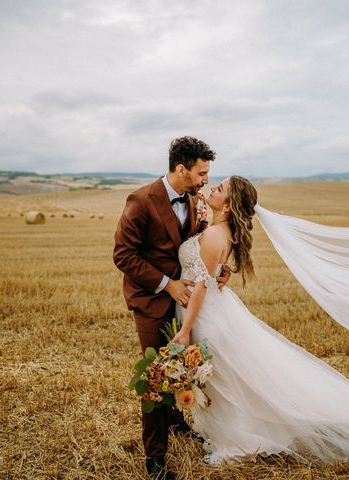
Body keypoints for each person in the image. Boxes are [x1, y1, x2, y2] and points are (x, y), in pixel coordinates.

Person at [171, 176, 349, 465]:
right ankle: (239, 433)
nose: (213, 186)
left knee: (226, 381)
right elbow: (208, 271)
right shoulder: (219, 228)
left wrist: (186, 329)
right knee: (229, 378)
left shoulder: (216, 234)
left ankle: (239, 441)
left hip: (205, 313)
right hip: (211, 310)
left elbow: (201, 286)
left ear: (228, 206)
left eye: (221, 187)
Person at [113, 136, 230, 480]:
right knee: (157, 374)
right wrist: (168, 284)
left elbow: (199, 246)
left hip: (188, 301)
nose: (206, 179)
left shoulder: (196, 201)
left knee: (184, 362)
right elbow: (123, 255)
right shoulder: (141, 200)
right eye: (201, 173)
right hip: (151, 299)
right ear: (181, 169)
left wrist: (220, 270)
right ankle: (155, 457)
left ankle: (178, 422)